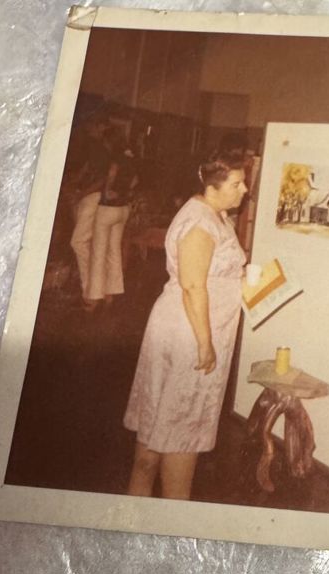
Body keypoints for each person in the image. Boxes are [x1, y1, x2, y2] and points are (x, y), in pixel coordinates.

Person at [123, 150, 248, 499]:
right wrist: (205, 344)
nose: (244, 189)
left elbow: (214, 275)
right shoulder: (199, 224)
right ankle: (173, 517)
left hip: (195, 325)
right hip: (190, 331)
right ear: (212, 187)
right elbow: (193, 286)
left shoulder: (216, 215)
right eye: (237, 183)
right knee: (182, 427)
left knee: (158, 422)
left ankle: (135, 513)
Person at [84, 131, 139, 312]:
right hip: (123, 210)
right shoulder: (132, 163)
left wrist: (107, 190)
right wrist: (123, 194)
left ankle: (94, 298)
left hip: (107, 210)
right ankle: (111, 293)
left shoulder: (114, 161)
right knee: (114, 251)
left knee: (98, 253)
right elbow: (134, 183)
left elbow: (110, 178)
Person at [69, 115, 113, 302]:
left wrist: (81, 193)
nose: (89, 129)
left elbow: (101, 180)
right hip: (89, 197)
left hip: (92, 197)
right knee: (89, 243)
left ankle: (90, 288)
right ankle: (97, 289)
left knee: (78, 242)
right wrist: (75, 187)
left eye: (93, 125)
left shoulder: (99, 149)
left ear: (101, 127)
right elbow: (86, 171)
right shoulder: (93, 148)